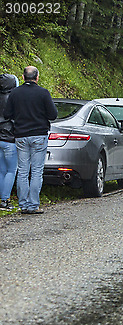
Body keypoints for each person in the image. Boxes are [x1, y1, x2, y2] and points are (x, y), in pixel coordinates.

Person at [3, 66, 58, 214]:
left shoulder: (15, 93)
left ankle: (23, 205)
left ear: (23, 77)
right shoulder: (43, 93)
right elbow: (53, 114)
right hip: (39, 135)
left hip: (20, 135)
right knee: (36, 171)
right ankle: (33, 205)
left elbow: (7, 114)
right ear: (37, 77)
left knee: (22, 171)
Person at [0, 73, 19, 210]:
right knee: (11, 170)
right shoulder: (13, 99)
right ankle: (5, 200)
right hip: (9, 138)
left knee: (1, 170)